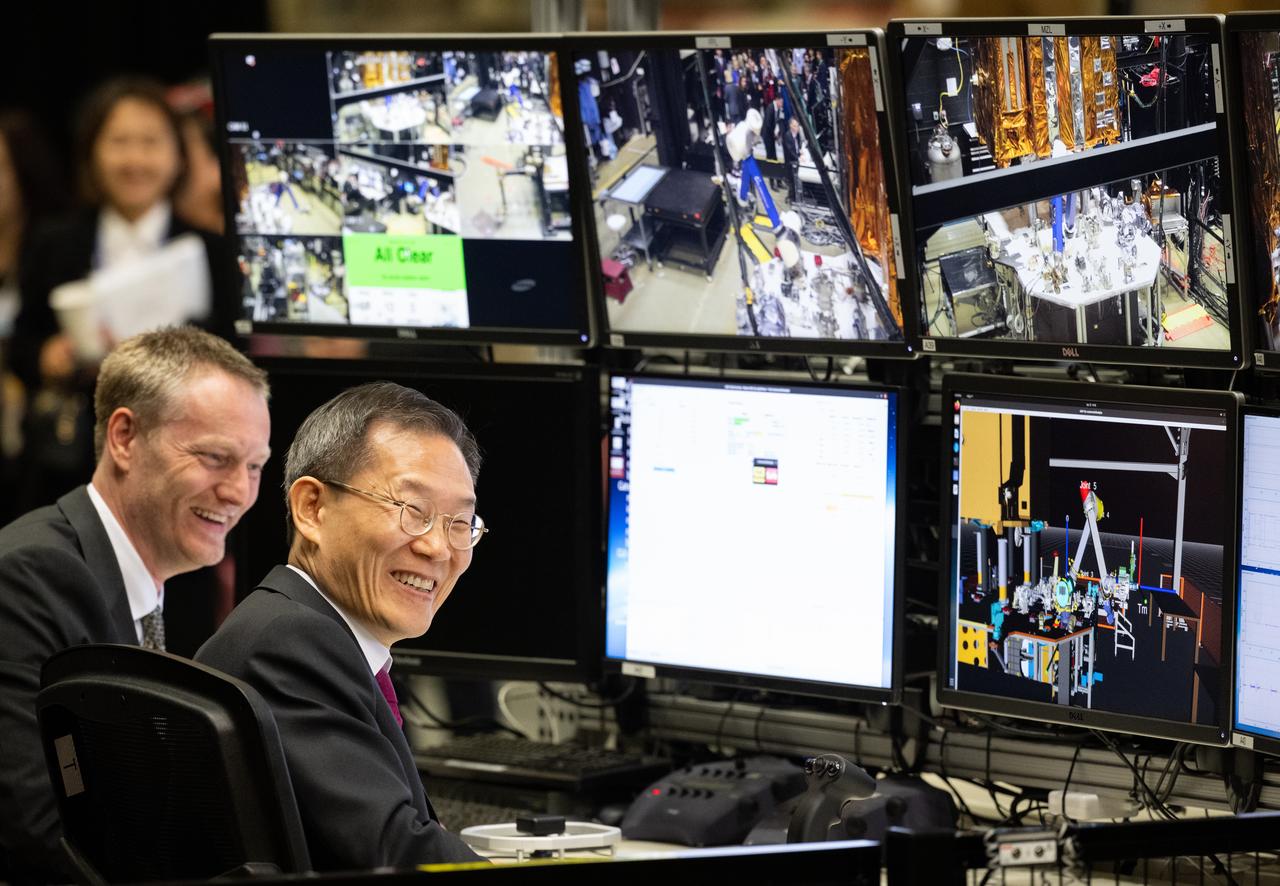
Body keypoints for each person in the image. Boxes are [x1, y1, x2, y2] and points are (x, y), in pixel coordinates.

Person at [0, 326, 271, 884]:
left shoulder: (152, 582)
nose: (239, 491)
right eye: (215, 457)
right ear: (124, 437)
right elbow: (33, 829)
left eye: (254, 466)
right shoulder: (30, 575)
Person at [196, 382, 486, 870]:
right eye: (412, 510)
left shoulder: (306, 631)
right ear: (312, 508)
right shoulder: (290, 643)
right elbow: (398, 855)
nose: (439, 548)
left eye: (461, 522)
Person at [12, 77, 234, 512]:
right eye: (119, 142)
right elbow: (22, 344)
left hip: (184, 465)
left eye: (150, 142)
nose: (135, 159)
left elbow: (234, 353)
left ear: (177, 155)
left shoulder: (212, 251)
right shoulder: (54, 243)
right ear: (92, 152)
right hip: (73, 461)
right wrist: (48, 357)